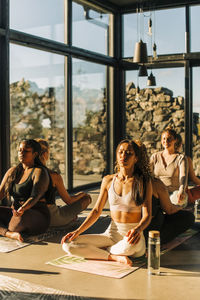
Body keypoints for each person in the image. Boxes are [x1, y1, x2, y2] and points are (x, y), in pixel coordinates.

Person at [61, 139, 152, 266]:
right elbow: (97, 211)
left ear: (136, 158)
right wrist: (77, 231)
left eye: (128, 153)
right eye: (120, 152)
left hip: (132, 237)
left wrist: (138, 229)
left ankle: (103, 252)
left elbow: (147, 215)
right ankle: (114, 257)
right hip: (111, 235)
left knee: (130, 247)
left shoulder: (143, 182)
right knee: (68, 244)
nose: (123, 156)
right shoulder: (108, 180)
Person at [133, 140, 194, 245]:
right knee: (188, 217)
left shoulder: (116, 180)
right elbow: (169, 209)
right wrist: (180, 208)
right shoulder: (153, 183)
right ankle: (154, 240)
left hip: (127, 228)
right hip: (148, 231)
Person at [0, 139, 50, 242]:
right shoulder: (12, 171)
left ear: (35, 154)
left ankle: (8, 230)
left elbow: (35, 196)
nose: (21, 153)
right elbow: (0, 193)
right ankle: (9, 234)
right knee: (13, 222)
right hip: (15, 212)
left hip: (35, 214)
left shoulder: (39, 171)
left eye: (26, 151)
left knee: (17, 223)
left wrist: (23, 208)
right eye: (20, 150)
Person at [36, 139, 91, 227]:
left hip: (33, 217)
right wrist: (81, 194)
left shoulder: (26, 172)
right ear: (46, 154)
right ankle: (69, 217)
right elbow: (69, 201)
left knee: (60, 208)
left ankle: (68, 215)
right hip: (51, 218)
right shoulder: (54, 175)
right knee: (86, 199)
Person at [150, 127, 188, 207]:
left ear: (175, 140)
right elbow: (148, 175)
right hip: (157, 194)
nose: (166, 141)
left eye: (169, 139)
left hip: (174, 194)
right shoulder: (155, 157)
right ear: (161, 140)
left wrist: (181, 190)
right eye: (164, 139)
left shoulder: (180, 158)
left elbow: (183, 176)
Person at [176, 133, 200, 204]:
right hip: (183, 196)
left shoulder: (158, 157)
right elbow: (193, 179)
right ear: (181, 145)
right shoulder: (184, 159)